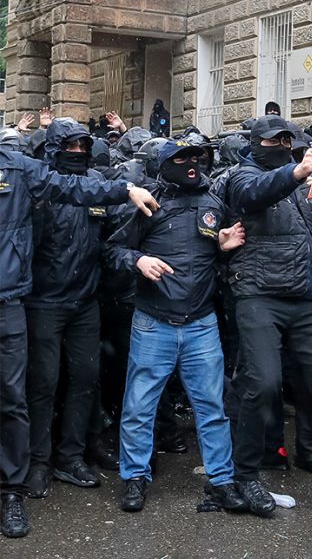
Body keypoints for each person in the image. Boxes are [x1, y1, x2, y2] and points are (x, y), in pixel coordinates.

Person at [0, 139, 159, 539]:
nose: (76, 151)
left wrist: (124, 189)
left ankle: (17, 487)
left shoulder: (17, 169)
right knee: (33, 388)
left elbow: (72, 186)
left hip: (14, 301)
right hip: (40, 302)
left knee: (16, 396)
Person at [224, 115, 312, 519]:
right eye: (275, 139)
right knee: (263, 384)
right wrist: (296, 170)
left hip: (306, 300)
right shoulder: (243, 176)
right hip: (259, 295)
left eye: (288, 139)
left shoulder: (304, 186)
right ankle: (246, 475)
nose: (283, 144)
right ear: (256, 143)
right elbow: (255, 195)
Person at [105, 140, 250, 512]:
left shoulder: (214, 204)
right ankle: (135, 478)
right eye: (180, 158)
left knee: (212, 407)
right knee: (139, 406)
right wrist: (138, 260)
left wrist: (223, 244)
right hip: (153, 323)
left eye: (195, 157)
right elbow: (112, 250)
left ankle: (221, 481)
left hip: (201, 324)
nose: (190, 164)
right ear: (162, 163)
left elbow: (211, 254)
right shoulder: (146, 202)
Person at [23, 120, 115, 499]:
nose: (77, 152)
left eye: (82, 146)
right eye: (70, 147)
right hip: (44, 302)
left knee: (85, 379)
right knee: (42, 384)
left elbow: (109, 241)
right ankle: (36, 462)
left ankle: (71, 456)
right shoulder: (39, 185)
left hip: (84, 302)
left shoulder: (97, 184)